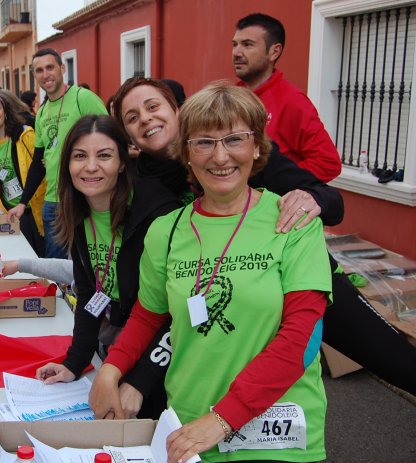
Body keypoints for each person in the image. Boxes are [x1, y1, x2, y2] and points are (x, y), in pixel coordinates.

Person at [91, 82, 333, 463]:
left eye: (234, 139)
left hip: (274, 430)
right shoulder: (167, 230)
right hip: (189, 423)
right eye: (203, 142)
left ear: (257, 147)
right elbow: (148, 315)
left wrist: (222, 420)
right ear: (186, 152)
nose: (220, 157)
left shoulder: (293, 222)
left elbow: (302, 339)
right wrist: (110, 372)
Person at [112, 76, 416, 400]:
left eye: (152, 106)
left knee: (394, 360)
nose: (145, 118)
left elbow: (330, 199)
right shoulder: (139, 184)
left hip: (298, 280)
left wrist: (311, 199)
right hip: (220, 295)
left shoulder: (238, 150)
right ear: (130, 137)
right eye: (132, 117)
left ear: (176, 109)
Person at [34, 114, 181, 411]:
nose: (90, 167)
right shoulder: (79, 211)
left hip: (164, 357)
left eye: (104, 155)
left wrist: (140, 380)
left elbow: (172, 313)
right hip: (121, 347)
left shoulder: (156, 212)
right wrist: (74, 363)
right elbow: (90, 294)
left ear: (123, 162)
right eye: (79, 156)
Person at [7, 48, 108, 259]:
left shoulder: (83, 98)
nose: (46, 74)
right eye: (39, 70)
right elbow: (38, 161)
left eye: (50, 67)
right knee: (54, 264)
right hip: (53, 200)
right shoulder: (42, 112)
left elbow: (111, 139)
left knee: (90, 260)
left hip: (84, 196)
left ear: (62, 68)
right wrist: (23, 203)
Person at [233, 13, 341, 182]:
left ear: (274, 52)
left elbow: (328, 163)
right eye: (235, 44)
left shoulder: (292, 101)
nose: (237, 52)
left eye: (247, 45)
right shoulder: (231, 96)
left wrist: (275, 183)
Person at [0, 91, 46, 256]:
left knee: (40, 256)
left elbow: (41, 169)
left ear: (5, 112)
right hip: (11, 212)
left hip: (34, 210)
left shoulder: (25, 135)